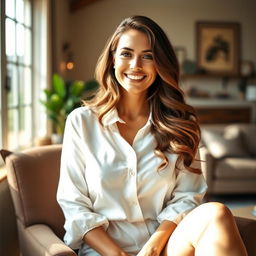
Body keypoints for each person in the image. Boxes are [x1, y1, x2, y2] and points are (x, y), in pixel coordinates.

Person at [57, 15, 247, 256]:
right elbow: (74, 205)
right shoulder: (82, 122)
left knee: (217, 212)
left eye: (148, 56)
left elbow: (187, 196)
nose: (136, 65)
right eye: (126, 53)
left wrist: (153, 247)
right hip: (105, 251)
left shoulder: (180, 125)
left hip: (165, 246)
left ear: (160, 65)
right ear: (113, 59)